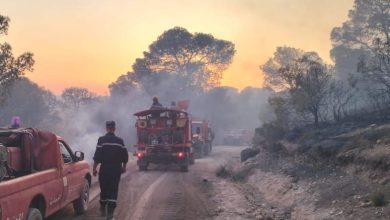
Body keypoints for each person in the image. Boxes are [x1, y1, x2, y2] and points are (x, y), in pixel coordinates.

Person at [93, 121, 128, 219]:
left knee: (104, 189)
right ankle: (110, 214)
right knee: (113, 189)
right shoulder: (120, 141)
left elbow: (97, 156)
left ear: (106, 128)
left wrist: (94, 169)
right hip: (116, 169)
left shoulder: (101, 140)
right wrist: (124, 166)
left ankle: (103, 207)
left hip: (104, 169)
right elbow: (125, 155)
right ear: (114, 128)